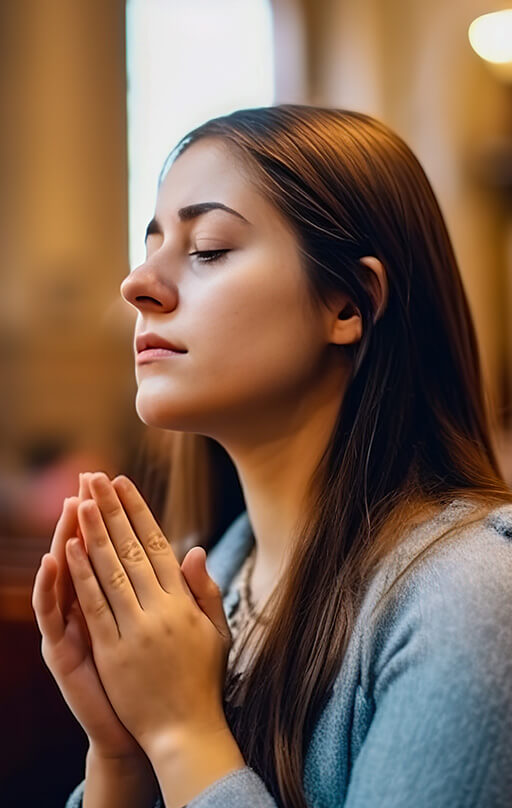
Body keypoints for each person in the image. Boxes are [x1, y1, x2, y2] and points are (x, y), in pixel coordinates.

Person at [32, 104, 512, 808]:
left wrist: (181, 733)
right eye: (153, 243)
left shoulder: (468, 599)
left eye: (209, 249)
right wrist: (122, 754)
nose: (137, 286)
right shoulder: (212, 579)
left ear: (348, 303)